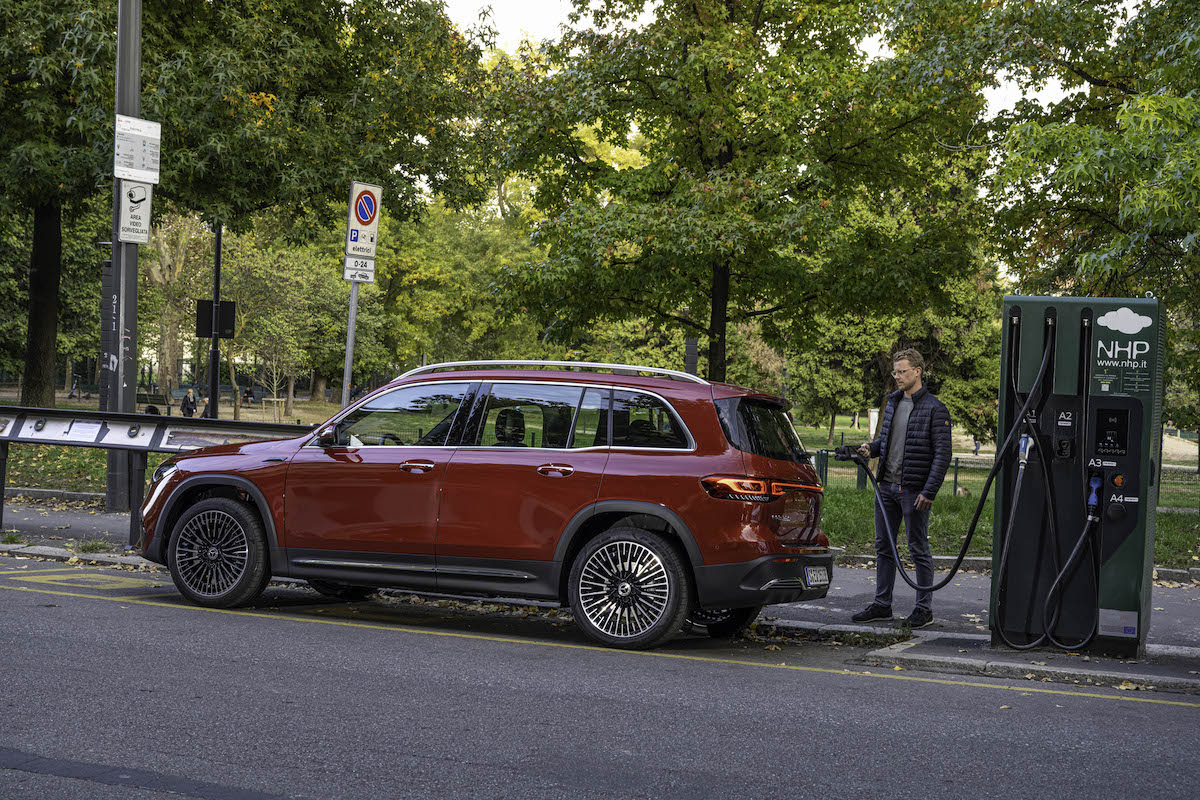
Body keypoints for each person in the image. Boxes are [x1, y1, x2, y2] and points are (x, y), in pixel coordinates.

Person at [851, 349, 952, 629]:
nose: (897, 376)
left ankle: (924, 609)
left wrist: (929, 491)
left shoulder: (935, 408)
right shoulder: (893, 403)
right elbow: (887, 440)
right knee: (884, 546)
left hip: (914, 490)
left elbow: (942, 455)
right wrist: (871, 448)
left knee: (918, 548)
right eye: (895, 372)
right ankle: (882, 605)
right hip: (886, 486)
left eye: (902, 371)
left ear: (917, 371)